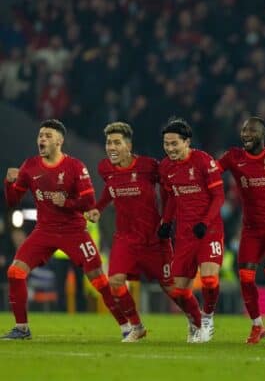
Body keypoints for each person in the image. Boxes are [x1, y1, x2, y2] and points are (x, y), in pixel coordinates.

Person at [2, 119, 127, 339]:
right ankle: (22, 328)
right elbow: (13, 201)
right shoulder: (30, 166)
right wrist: (8, 182)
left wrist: (67, 202)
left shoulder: (75, 167)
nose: (42, 139)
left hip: (74, 232)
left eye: (48, 136)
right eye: (40, 135)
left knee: (98, 279)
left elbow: (89, 202)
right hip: (45, 231)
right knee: (15, 272)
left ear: (59, 141)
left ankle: (127, 326)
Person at [85, 122, 179, 342]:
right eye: (108, 142)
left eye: (117, 142)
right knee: (116, 281)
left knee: (173, 289)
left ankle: (198, 321)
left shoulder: (149, 166)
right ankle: (136, 326)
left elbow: (169, 185)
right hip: (126, 238)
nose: (111, 147)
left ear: (128, 145)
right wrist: (98, 208)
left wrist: (168, 218)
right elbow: (112, 186)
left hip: (154, 238)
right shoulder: (105, 168)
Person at [218, 117, 265, 344]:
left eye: (251, 130)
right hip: (251, 227)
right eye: (243, 130)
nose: (246, 134)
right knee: (245, 276)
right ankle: (257, 325)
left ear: (263, 134)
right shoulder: (234, 157)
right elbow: (212, 170)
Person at [158, 118, 225, 343]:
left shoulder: (204, 161)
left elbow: (219, 197)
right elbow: (172, 198)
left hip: (209, 230)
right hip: (185, 233)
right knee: (178, 290)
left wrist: (205, 223)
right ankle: (193, 321)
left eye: (174, 143)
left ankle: (207, 318)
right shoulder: (166, 167)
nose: (169, 148)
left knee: (208, 279)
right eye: (166, 144)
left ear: (187, 142)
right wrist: (166, 222)